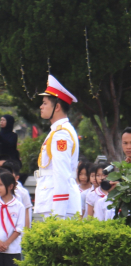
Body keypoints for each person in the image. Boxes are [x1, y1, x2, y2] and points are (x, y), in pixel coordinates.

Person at [33, 75, 80, 220]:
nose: (41, 106)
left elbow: (61, 173)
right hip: (53, 201)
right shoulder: (57, 131)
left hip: (59, 206)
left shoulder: (61, 134)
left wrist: (58, 212)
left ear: (57, 107)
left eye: (45, 103)